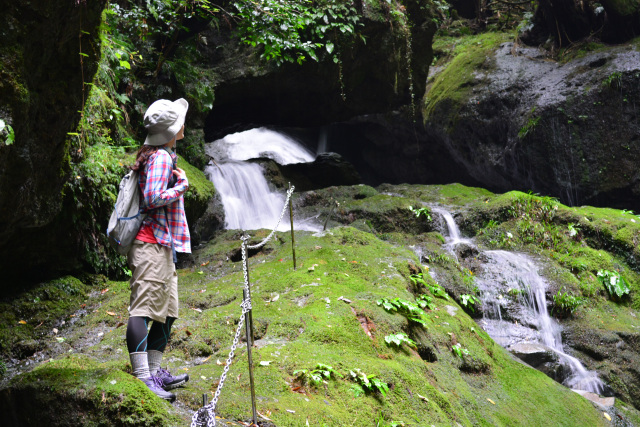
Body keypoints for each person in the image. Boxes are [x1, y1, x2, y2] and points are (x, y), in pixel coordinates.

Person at [126, 98, 191, 402]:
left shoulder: (162, 154)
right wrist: (182, 187)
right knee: (143, 311)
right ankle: (142, 377)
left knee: (167, 312)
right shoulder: (162, 157)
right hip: (149, 243)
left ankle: (154, 371)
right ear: (172, 129)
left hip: (161, 243)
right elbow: (152, 197)